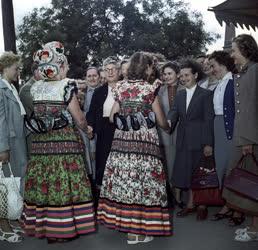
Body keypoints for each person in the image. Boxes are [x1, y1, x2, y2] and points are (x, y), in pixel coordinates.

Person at [21, 41, 95, 243]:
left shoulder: (36, 88)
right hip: (63, 144)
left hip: (40, 145)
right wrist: (87, 129)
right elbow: (79, 119)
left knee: (45, 184)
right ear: (59, 65)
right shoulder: (66, 86)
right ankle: (63, 230)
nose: (68, 68)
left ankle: (47, 228)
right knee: (63, 184)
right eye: (66, 64)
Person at [97, 52, 172, 244]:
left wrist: (127, 118)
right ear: (147, 68)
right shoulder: (150, 89)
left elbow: (113, 117)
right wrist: (167, 125)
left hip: (122, 143)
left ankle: (130, 231)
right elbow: (161, 121)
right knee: (144, 184)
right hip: (145, 143)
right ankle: (141, 230)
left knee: (126, 183)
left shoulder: (120, 87)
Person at [222, 34, 258, 242]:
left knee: (252, 183)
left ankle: (254, 229)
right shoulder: (245, 72)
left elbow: (252, 108)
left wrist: (248, 140)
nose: (231, 54)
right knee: (244, 181)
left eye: (234, 50)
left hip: (249, 137)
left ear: (245, 50)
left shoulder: (255, 71)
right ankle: (253, 226)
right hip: (243, 135)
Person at [168, 60, 214, 220]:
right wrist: (167, 122)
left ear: (195, 75)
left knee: (200, 174)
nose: (183, 78)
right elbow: (173, 113)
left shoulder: (206, 94)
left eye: (187, 75)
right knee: (186, 172)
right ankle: (190, 204)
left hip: (199, 139)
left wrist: (208, 143)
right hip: (183, 139)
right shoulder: (180, 95)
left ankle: (201, 205)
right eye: (181, 76)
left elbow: (209, 120)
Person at [0, 51, 27, 243]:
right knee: (4, 186)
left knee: (14, 184)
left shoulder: (10, 87)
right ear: (5, 67)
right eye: (16, 68)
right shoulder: (1, 89)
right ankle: (3, 226)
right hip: (8, 145)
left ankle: (12, 218)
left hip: (17, 143)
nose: (18, 71)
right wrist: (2, 147)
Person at [208, 51, 238, 222]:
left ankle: (234, 208)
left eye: (214, 65)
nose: (212, 69)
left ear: (223, 63)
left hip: (230, 129)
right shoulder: (219, 84)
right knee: (221, 167)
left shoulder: (234, 81)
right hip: (218, 127)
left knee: (232, 168)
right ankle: (229, 204)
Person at [86, 56, 119, 189]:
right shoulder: (99, 92)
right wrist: (90, 126)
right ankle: (104, 196)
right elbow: (91, 113)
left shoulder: (126, 89)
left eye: (113, 69)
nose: (110, 72)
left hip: (121, 131)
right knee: (103, 164)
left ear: (119, 71)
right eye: (107, 70)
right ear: (104, 73)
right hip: (104, 132)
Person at [158, 62, 180, 190]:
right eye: (165, 74)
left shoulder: (184, 88)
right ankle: (171, 190)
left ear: (177, 74)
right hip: (165, 130)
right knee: (168, 161)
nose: (167, 76)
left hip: (182, 129)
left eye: (170, 73)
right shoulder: (160, 91)